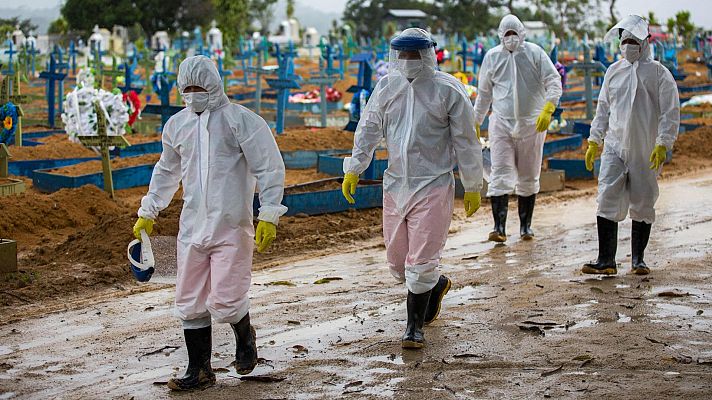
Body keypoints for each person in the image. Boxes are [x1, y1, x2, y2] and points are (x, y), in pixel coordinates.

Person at [132, 56, 287, 390]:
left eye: (199, 87)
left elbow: (269, 166)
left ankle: (245, 338)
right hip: (192, 228)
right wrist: (149, 210)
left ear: (214, 85)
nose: (193, 94)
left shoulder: (240, 121)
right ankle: (199, 370)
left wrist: (270, 212)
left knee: (228, 301)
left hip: (232, 226)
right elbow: (166, 172)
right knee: (189, 301)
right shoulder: (177, 125)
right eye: (187, 88)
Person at [341, 28, 483, 349]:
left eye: (414, 54)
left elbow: (466, 139)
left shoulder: (447, 90)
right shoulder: (387, 87)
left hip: (433, 185)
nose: (407, 61)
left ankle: (413, 329)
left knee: (420, 261)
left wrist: (472, 184)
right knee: (397, 261)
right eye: (402, 54)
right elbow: (368, 128)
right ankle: (437, 285)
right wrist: (354, 168)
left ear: (428, 54)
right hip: (395, 186)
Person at [582, 15, 679, 276]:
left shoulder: (659, 73)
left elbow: (670, 112)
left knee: (643, 200)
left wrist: (663, 143)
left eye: (633, 41)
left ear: (646, 42)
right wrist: (594, 139)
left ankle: (638, 260)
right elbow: (603, 109)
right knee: (606, 198)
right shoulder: (613, 71)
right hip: (614, 146)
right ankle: (606, 260)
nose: (628, 45)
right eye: (624, 40)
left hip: (645, 149)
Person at [473, 14, 563, 242]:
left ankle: (525, 227)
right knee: (499, 173)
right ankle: (499, 228)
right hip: (501, 123)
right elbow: (484, 94)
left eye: (514, 34)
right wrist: (475, 121)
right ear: (500, 36)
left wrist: (548, 108)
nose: (511, 38)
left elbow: (553, 81)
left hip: (532, 124)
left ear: (522, 34)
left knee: (528, 174)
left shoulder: (534, 54)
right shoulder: (492, 58)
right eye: (506, 34)